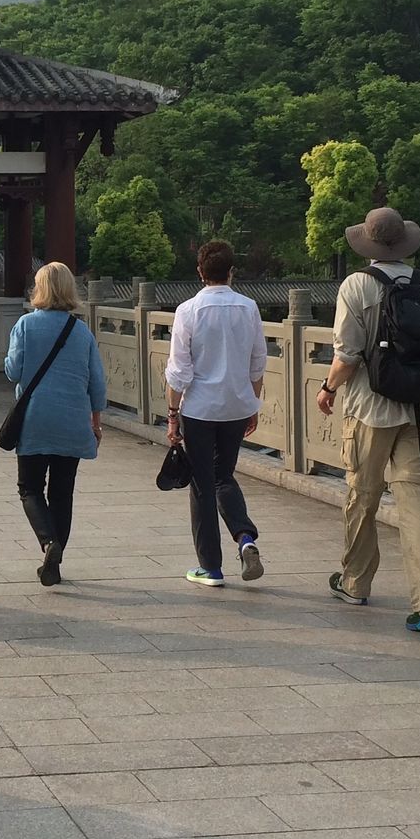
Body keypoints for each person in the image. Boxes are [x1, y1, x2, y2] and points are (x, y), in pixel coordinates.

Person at [317, 206, 420, 635]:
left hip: (370, 410)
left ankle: (356, 582)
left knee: (363, 496)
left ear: (369, 244)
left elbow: (346, 355)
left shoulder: (356, 286)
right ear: (404, 244)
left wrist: (327, 389)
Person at [164, 240, 267, 588]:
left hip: (200, 408)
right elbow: (257, 363)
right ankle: (244, 538)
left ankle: (211, 566)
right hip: (237, 406)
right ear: (231, 271)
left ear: (200, 272)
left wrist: (172, 414)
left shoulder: (188, 310)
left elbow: (179, 370)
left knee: (202, 484)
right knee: (225, 476)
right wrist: (252, 404)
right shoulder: (249, 308)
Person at [4, 261, 105, 587]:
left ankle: (49, 543)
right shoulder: (82, 331)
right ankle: (56, 560)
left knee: (30, 488)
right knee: (63, 493)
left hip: (35, 419)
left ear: (40, 289)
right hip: (73, 419)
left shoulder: (24, 325)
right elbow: (97, 383)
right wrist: (96, 420)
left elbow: (14, 371)